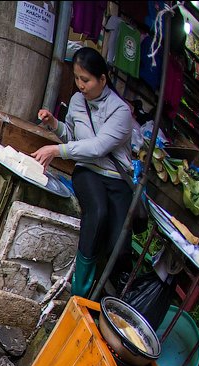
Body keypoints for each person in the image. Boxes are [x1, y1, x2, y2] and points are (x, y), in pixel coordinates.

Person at [33, 47, 134, 298]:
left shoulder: (121, 112)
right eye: (77, 78)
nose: (80, 85)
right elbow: (72, 135)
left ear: (102, 79)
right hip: (88, 172)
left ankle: (108, 297)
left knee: (119, 246)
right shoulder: (78, 101)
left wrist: (57, 150)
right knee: (97, 213)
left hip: (116, 178)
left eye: (86, 80)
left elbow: (98, 146)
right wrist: (54, 125)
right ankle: (81, 290)